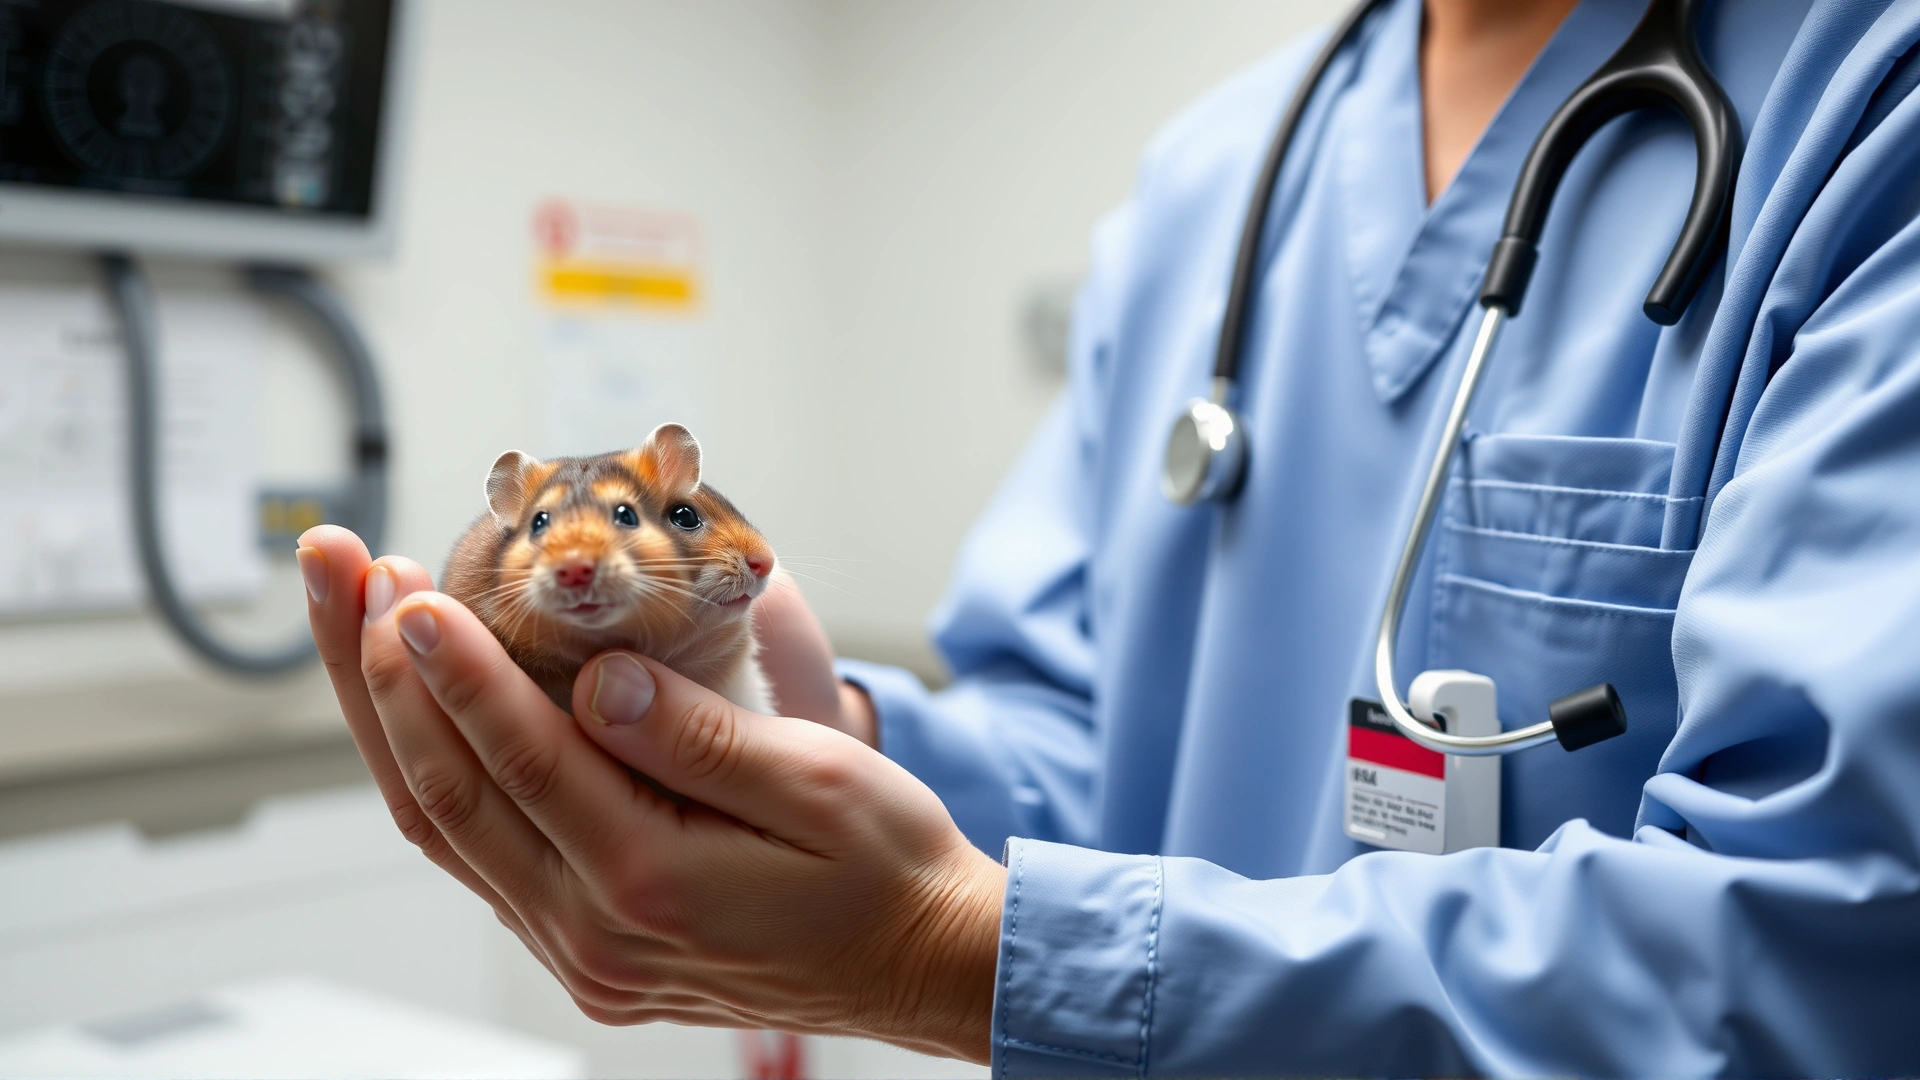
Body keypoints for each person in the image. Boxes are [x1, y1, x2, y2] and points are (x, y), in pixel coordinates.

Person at [294, 0, 1920, 1072]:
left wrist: (950, 953)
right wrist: (794, 742)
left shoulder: (1866, 107)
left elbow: (1827, 952)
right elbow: (1074, 744)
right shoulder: (1214, 182)